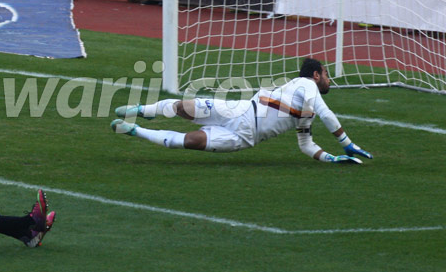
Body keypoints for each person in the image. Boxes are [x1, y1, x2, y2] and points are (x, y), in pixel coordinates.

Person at [110, 58, 373, 164]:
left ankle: (135, 130)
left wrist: (331, 158)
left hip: (244, 138)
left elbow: (305, 144)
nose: (330, 80)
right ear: (316, 75)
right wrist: (346, 143)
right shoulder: (305, 85)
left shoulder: (307, 114)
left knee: (190, 141)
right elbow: (327, 114)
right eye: (326, 74)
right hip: (241, 111)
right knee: (185, 107)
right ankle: (141, 109)